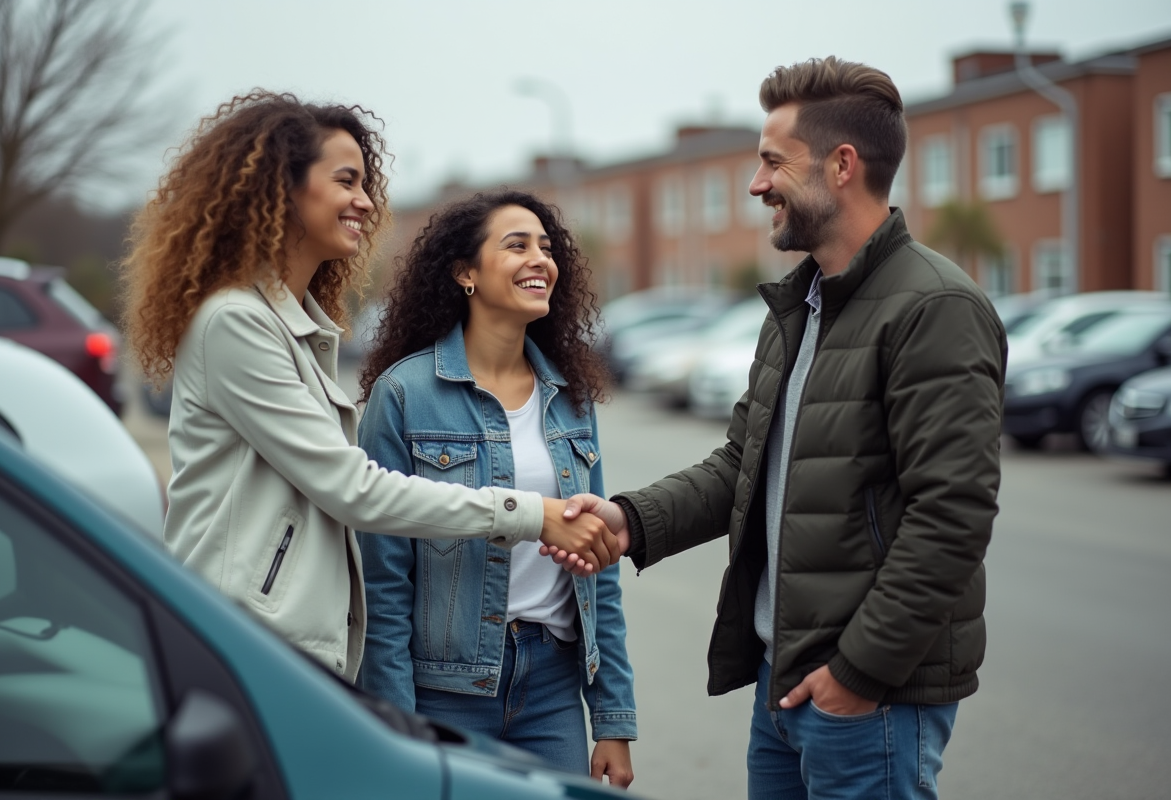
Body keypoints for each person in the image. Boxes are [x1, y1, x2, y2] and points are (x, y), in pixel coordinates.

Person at [561, 57, 1007, 799]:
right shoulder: (801, 307)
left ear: (841, 166)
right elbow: (744, 465)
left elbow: (952, 515)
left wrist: (858, 673)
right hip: (784, 678)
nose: (756, 183)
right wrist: (629, 520)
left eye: (773, 161)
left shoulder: (934, 308)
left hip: (869, 696)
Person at [119, 93, 616, 683]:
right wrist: (530, 513)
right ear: (283, 188)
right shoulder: (238, 323)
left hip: (275, 646)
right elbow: (352, 490)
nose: (364, 201)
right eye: (346, 181)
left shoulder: (294, 327)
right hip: (240, 645)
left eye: (365, 184)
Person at [355, 189, 637, 787]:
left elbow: (600, 564)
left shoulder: (570, 399)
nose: (541, 258)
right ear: (465, 273)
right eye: (517, 245)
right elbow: (382, 582)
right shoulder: (404, 395)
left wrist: (612, 718)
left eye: (547, 246)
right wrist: (393, 726)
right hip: (444, 691)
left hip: (553, 689)